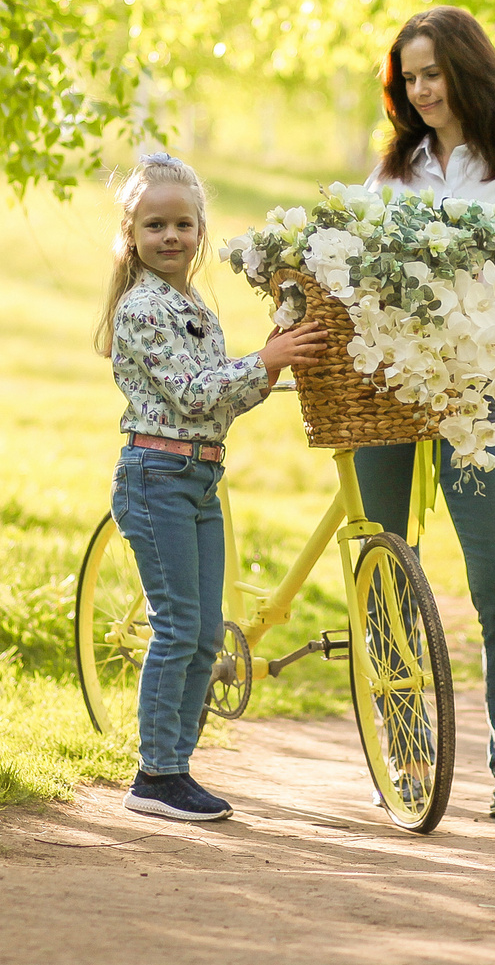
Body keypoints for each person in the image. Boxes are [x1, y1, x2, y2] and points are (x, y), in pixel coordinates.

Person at [356, 7, 495, 819]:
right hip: (384, 392)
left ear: (470, 72)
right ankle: (406, 752)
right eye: (409, 78)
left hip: (472, 397)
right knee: (383, 570)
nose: (421, 90)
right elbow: (365, 277)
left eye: (433, 73)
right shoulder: (394, 172)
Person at [100, 151, 328, 822]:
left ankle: (176, 766)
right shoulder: (141, 309)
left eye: (183, 224)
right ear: (131, 236)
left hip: (198, 477)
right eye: (155, 226)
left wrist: (266, 362)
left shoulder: (192, 302)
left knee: (203, 634)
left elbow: (220, 400)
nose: (170, 237)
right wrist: (263, 364)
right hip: (157, 477)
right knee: (177, 630)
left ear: (201, 229)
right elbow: (194, 394)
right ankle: (155, 774)